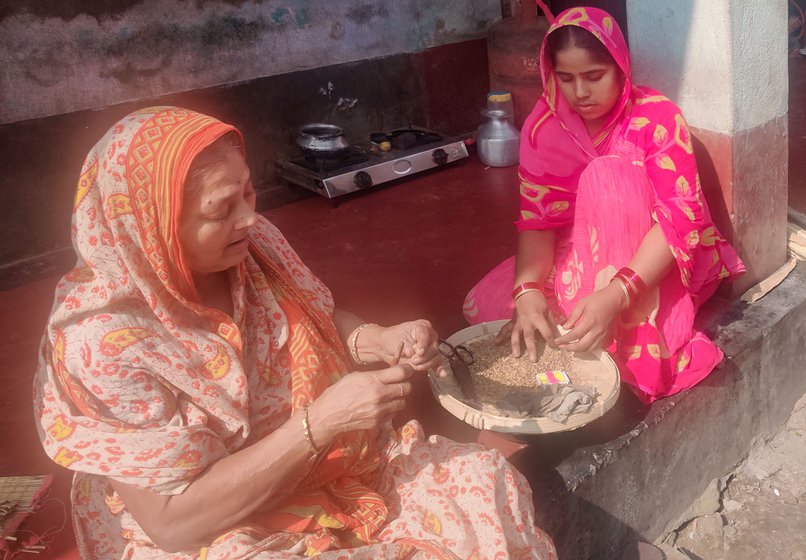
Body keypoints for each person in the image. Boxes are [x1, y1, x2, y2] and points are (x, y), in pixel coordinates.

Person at [33, 107, 557, 559]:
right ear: (151, 228)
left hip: (329, 471)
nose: (248, 218)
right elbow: (172, 523)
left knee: (485, 481)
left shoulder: (253, 247)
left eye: (248, 191)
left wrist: (375, 339)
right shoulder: (102, 343)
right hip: (215, 524)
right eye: (221, 208)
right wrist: (321, 422)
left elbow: (317, 314)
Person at [463, 7, 745, 404]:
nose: (580, 92)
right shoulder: (545, 128)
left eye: (594, 76)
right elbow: (538, 221)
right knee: (499, 305)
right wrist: (528, 292)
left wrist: (615, 294)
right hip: (582, 250)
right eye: (566, 78)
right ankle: (584, 311)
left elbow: (680, 224)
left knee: (608, 178)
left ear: (620, 67)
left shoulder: (656, 119)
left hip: (655, 261)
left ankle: (625, 326)